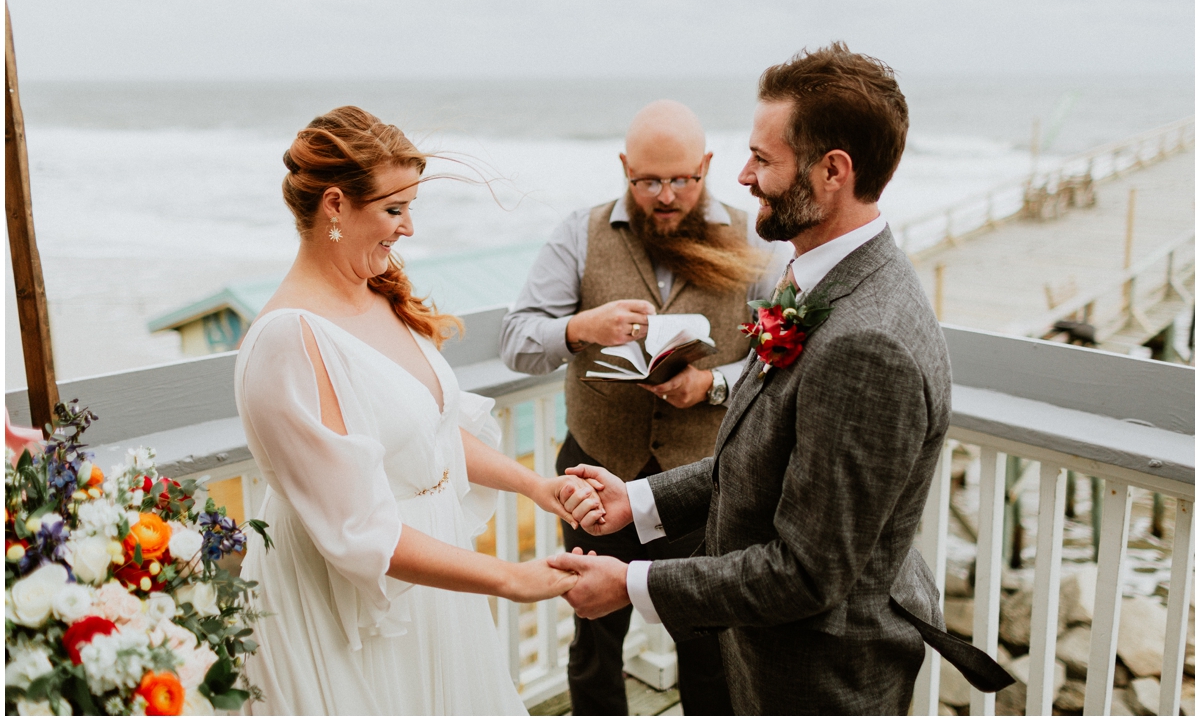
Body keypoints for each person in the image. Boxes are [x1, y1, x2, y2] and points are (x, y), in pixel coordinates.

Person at [552, 45, 1014, 714]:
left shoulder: (868, 343)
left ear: (833, 172)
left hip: (816, 675)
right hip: (770, 650)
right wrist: (638, 502)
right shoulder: (817, 279)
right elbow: (759, 456)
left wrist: (630, 584)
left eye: (763, 160)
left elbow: (805, 572)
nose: (742, 176)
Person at [234, 106, 603, 715]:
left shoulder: (375, 288)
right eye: (394, 209)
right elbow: (360, 530)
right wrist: (509, 578)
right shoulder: (288, 340)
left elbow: (431, 437)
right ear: (334, 205)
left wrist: (535, 486)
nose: (407, 229)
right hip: (348, 596)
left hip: (435, 570)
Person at [499, 100, 790, 715]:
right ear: (625, 168)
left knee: (710, 644)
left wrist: (709, 385)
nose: (664, 196)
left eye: (682, 179)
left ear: (708, 165)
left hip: (704, 483)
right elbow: (515, 343)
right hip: (593, 478)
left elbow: (780, 366)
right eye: (647, 181)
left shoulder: (758, 241)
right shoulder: (580, 233)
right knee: (594, 642)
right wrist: (580, 327)